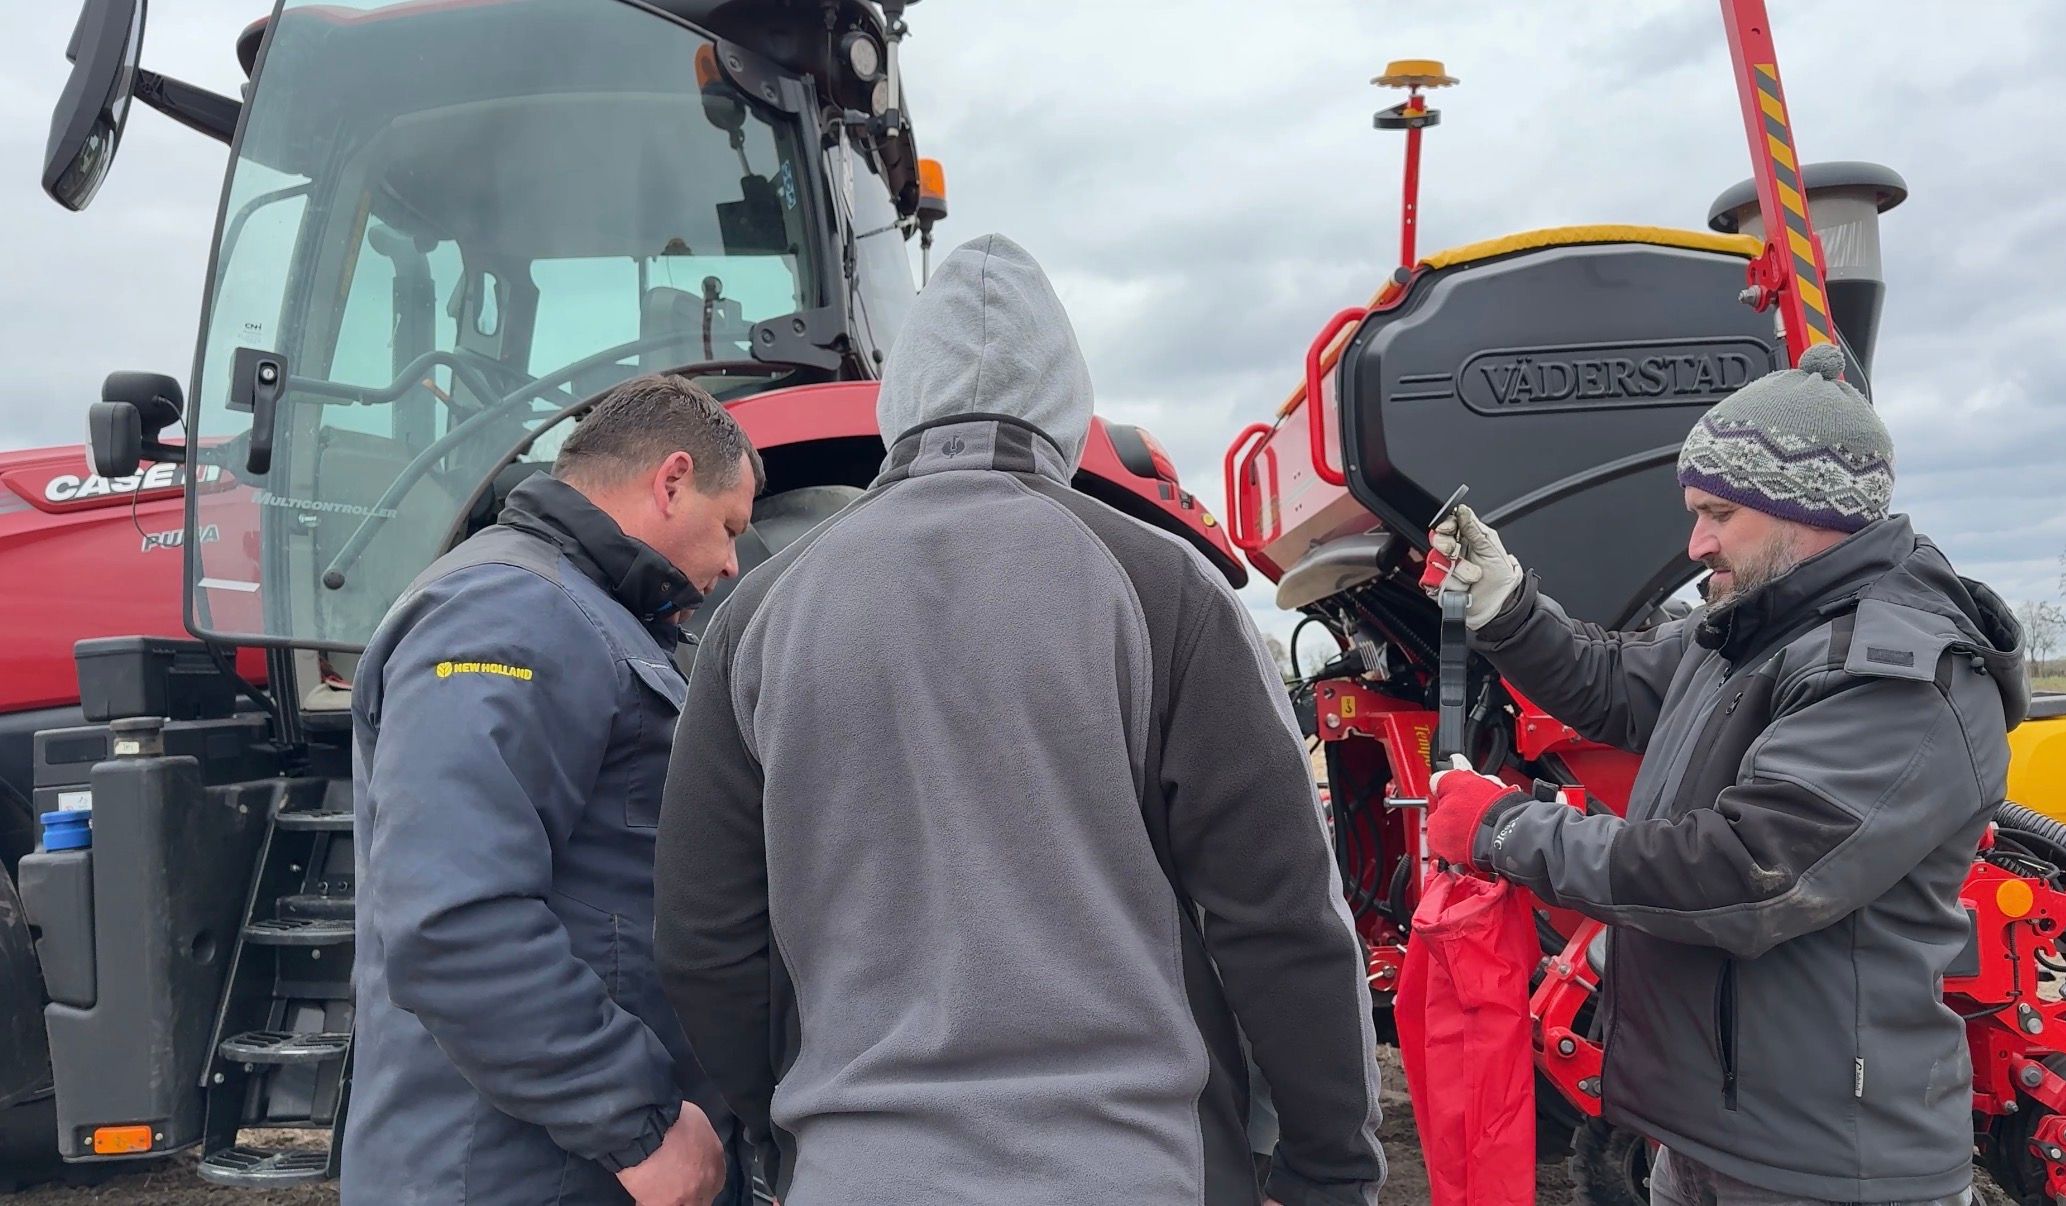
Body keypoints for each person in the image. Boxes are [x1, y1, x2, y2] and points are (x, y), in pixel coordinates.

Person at [651, 235, 1385, 1206]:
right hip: (1130, 1169)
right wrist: (1328, 1165)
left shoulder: (757, 612)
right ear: (1061, 400)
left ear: (900, 395)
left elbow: (705, 936)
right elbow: (1279, 917)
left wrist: (797, 1124)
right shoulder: (1164, 590)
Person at [1422, 343, 2026, 1205]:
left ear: (1806, 509)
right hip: (1710, 1140)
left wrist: (1506, 828)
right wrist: (1506, 607)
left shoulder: (1901, 674)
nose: (1695, 541)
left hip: (1826, 1167)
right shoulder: (1757, 626)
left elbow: (1745, 872)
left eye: (1717, 513)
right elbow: (1614, 684)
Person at [345, 374, 763, 1206]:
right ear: (671, 480)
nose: (731, 562)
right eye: (728, 526)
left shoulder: (580, 614)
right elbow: (455, 920)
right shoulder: (508, 615)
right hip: (517, 1171)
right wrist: (636, 1122)